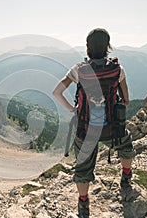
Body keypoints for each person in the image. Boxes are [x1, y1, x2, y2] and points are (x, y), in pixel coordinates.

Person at [52, 28, 135, 218]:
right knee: (126, 145)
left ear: (87, 47)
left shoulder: (78, 70)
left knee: (82, 168)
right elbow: (126, 101)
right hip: (112, 128)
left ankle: (83, 204)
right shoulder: (118, 70)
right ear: (108, 47)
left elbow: (56, 92)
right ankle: (126, 175)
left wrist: (72, 110)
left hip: (86, 128)